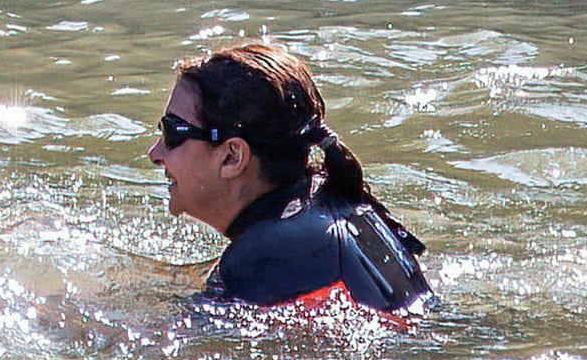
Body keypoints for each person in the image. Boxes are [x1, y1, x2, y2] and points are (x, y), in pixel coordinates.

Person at [148, 42, 432, 324]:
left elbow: (177, 345)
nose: (155, 154)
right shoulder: (332, 203)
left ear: (232, 157)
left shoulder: (263, 253)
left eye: (173, 133)